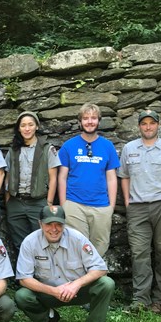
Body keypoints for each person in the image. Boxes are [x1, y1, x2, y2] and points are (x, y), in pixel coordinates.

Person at [15, 205, 114, 322]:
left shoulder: (78, 238)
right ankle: (49, 320)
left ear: (64, 224)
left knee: (107, 283)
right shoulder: (29, 242)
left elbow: (100, 268)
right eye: (49, 224)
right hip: (48, 293)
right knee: (22, 295)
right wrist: (53, 291)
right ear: (40, 224)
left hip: (77, 292)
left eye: (58, 224)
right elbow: (24, 279)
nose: (54, 229)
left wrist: (76, 284)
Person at [118, 110, 161, 314]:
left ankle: (159, 300)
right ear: (139, 126)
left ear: (158, 125)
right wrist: (128, 202)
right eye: (144, 123)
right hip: (137, 208)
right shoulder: (129, 149)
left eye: (152, 123)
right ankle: (140, 300)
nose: (148, 127)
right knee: (139, 254)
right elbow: (124, 176)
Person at [58, 103, 120, 257]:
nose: (89, 121)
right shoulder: (69, 146)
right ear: (80, 122)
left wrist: (110, 207)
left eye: (93, 118)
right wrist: (64, 204)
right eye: (85, 118)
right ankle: (78, 281)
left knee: (100, 247)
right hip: (74, 204)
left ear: (99, 121)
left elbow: (112, 178)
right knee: (76, 247)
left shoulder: (108, 146)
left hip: (101, 206)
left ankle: (96, 280)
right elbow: (62, 177)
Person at [4, 111, 60, 250]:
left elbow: (53, 178)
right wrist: (8, 200)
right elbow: (7, 176)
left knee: (42, 241)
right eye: (23, 125)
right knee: (20, 244)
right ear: (19, 128)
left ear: (36, 126)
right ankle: (24, 271)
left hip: (38, 202)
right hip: (16, 203)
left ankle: (42, 271)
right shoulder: (13, 150)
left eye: (30, 125)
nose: (27, 128)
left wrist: (49, 203)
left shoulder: (47, 149)